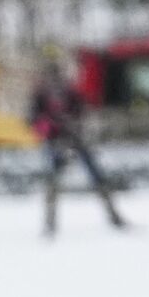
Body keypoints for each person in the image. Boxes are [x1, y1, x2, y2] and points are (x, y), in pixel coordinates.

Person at [29, 57, 126, 236]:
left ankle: (114, 216)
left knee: (97, 178)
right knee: (53, 182)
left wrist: (76, 125)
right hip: (56, 142)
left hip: (76, 139)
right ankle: (50, 223)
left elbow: (83, 111)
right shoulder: (41, 95)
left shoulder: (70, 92)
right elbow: (32, 120)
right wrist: (48, 127)